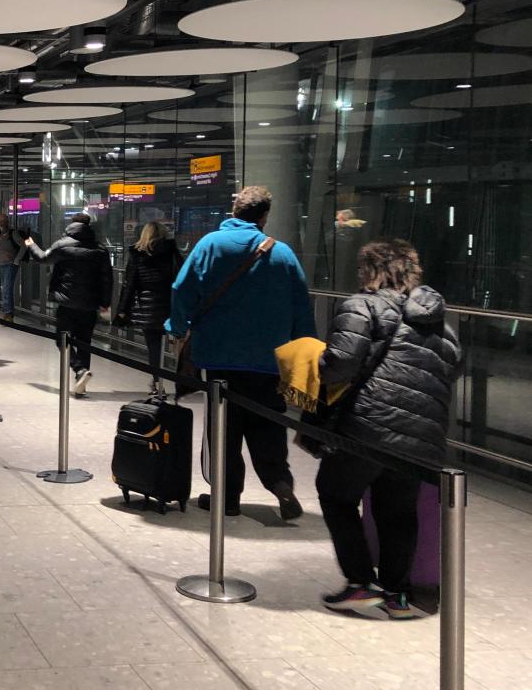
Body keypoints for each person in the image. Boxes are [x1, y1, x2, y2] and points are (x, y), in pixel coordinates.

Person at [316, 240, 461, 618]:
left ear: (371, 270)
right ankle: (397, 595)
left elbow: (340, 365)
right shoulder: (440, 319)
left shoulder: (362, 305)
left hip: (369, 425)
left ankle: (361, 584)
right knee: (398, 511)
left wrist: (316, 360)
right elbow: (450, 369)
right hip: (420, 435)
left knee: (334, 494)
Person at [167, 186, 315, 520]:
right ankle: (279, 483)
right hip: (269, 360)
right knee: (267, 424)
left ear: (234, 211)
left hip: (219, 358)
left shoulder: (210, 245)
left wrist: (176, 327)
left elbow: (181, 289)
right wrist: (304, 349)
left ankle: (227, 497)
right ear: (264, 216)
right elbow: (301, 307)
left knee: (224, 429)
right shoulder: (283, 254)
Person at [24, 213, 113, 396]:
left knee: (61, 339)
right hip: (90, 304)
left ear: (72, 225)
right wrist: (105, 302)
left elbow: (42, 258)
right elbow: (107, 279)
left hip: (67, 303)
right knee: (84, 343)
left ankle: (79, 369)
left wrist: (30, 243)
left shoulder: (62, 245)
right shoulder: (101, 249)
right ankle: (81, 384)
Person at [117, 222, 183, 396]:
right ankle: (179, 382)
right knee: (175, 344)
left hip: (148, 306)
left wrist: (123, 308)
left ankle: (157, 383)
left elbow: (130, 283)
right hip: (169, 303)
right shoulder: (171, 251)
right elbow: (182, 275)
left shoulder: (137, 253)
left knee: (153, 346)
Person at [0, 213, 27, 320]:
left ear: (7, 222)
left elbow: (24, 245)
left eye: (3, 221)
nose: (1, 223)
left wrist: (16, 260)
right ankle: (8, 311)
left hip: (10, 264)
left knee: (7, 288)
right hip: (2, 264)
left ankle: (8, 313)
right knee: (5, 288)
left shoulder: (13, 233)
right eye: (0, 221)